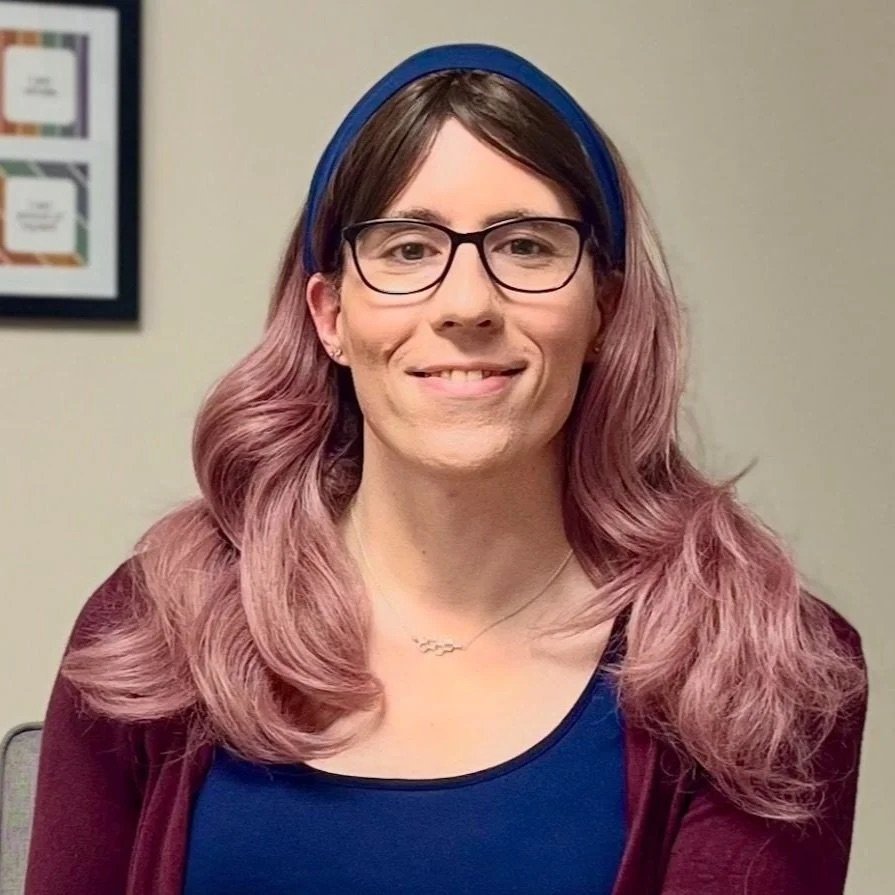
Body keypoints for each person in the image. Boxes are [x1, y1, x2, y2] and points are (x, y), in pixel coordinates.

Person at [24, 43, 868, 895]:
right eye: (406, 249)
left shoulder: (757, 665)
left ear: (603, 311)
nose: (466, 304)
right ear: (331, 314)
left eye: (527, 246)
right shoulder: (152, 633)